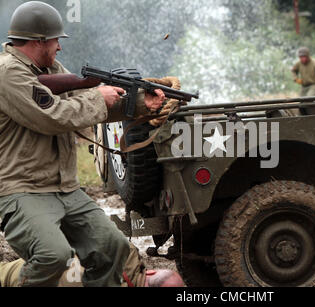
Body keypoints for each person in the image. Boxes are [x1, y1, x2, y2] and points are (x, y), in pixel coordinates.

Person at [0, 1, 183, 287]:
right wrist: (99, 95)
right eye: (55, 40)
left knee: (113, 249)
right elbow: (54, 115)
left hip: (65, 188)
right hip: (25, 189)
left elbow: (82, 107)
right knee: (53, 256)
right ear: (38, 41)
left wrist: (138, 103)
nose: (59, 47)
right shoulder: (8, 73)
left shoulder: (51, 69)